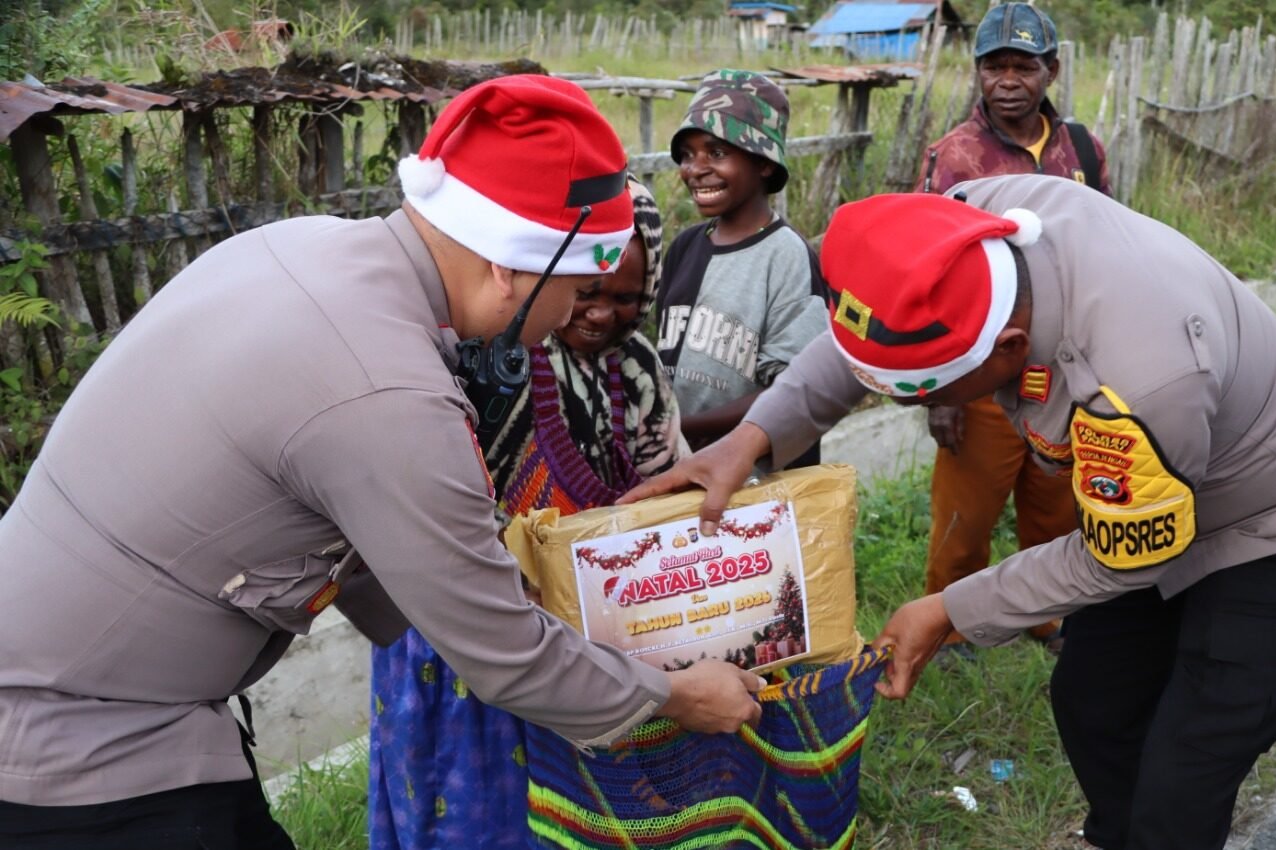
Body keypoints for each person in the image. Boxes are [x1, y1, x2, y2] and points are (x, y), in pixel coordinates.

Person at [0, 76, 760, 849]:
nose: (570, 314)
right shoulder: (388, 390)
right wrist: (673, 695)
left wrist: (502, 583)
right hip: (78, 744)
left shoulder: (307, 245)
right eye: (574, 286)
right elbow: (506, 661)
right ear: (508, 266)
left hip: (82, 688)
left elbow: (370, 540)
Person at [622, 175, 1276, 850]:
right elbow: (865, 334)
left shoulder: (1138, 380)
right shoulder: (967, 234)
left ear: (1010, 347)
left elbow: (1124, 555)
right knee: (1095, 700)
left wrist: (952, 607)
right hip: (1159, 494)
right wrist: (751, 438)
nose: (917, 409)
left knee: (1187, 768)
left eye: (930, 395)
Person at [369, 178, 679, 850]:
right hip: (475, 621)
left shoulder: (642, 373)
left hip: (595, 621)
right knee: (477, 808)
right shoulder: (488, 363)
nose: (599, 313)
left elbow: (669, 475)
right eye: (585, 291)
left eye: (625, 297)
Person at [916, 2, 1112, 654]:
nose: (1007, 81)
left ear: (1049, 70)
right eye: (994, 66)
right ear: (977, 74)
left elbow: (1111, 250)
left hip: (1061, 368)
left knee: (1056, 508)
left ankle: (1048, 617)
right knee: (965, 517)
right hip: (981, 371)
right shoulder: (953, 159)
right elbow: (928, 274)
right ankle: (949, 630)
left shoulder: (1082, 149)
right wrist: (939, 392)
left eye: (1022, 66)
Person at [656, 69, 828, 464]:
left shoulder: (785, 256)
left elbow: (794, 389)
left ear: (765, 162)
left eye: (717, 153)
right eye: (686, 155)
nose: (695, 169)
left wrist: (685, 426)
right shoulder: (685, 247)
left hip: (755, 478)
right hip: (680, 464)